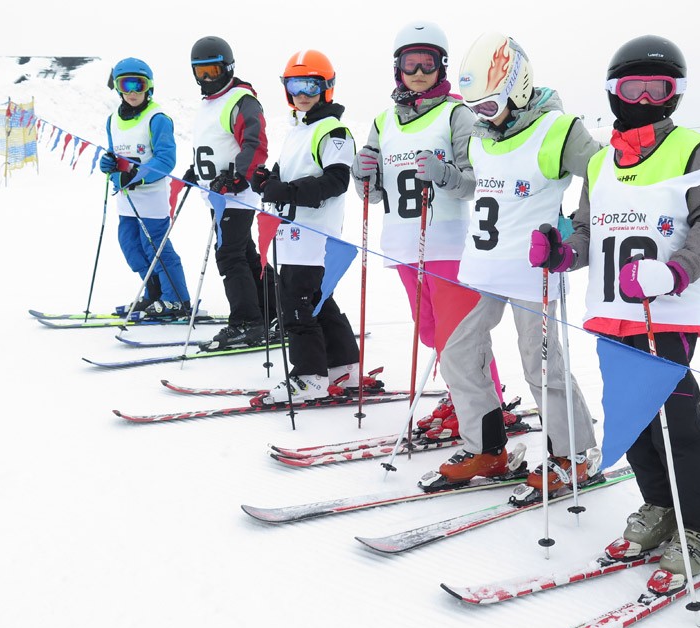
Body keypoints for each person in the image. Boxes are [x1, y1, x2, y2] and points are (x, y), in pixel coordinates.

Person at [547, 35, 700, 583]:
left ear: (675, 94)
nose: (647, 98)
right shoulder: (601, 164)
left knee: (676, 420)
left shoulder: (689, 149)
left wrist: (676, 270)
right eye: (635, 87)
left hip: (666, 313)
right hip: (610, 311)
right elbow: (587, 232)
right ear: (614, 92)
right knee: (634, 419)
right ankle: (660, 504)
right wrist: (563, 251)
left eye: (661, 88)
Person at [430, 32, 599, 488]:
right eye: (473, 110)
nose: (480, 117)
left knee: (540, 366)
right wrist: (447, 177)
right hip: (484, 270)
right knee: (458, 354)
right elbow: (477, 186)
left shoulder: (558, 130)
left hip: (533, 275)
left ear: (518, 89)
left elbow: (606, 176)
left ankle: (574, 454)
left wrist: (574, 235)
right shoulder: (482, 139)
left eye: (488, 106)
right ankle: (487, 450)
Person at [350, 20, 505, 439]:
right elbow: (376, 193)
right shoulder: (383, 122)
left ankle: (484, 402)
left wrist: (444, 174)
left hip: (449, 245)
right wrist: (362, 177)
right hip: (402, 245)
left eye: (428, 63)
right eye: (410, 63)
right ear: (397, 68)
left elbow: (476, 180)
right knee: (432, 331)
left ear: (442, 66)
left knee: (460, 337)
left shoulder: (457, 114)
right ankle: (465, 393)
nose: (419, 71)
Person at [252, 50, 361, 403]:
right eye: (295, 84)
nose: (302, 93)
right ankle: (343, 366)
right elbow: (285, 173)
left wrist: (287, 190)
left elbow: (337, 181)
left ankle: (309, 376)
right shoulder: (299, 129)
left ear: (326, 87)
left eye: (311, 84)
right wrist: (266, 179)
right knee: (315, 300)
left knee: (296, 303)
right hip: (294, 232)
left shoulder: (334, 130)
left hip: (314, 234)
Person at [187, 36, 276, 349]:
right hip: (217, 194)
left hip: (235, 195)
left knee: (230, 256)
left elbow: (256, 143)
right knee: (245, 254)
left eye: (212, 70)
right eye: (201, 72)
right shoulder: (208, 105)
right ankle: (272, 313)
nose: (207, 78)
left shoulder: (241, 100)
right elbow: (212, 145)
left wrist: (239, 178)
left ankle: (247, 322)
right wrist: (195, 169)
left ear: (228, 68)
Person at [100, 57, 191, 318]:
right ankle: (153, 295)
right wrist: (107, 165)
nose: (131, 92)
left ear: (148, 87)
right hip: (126, 200)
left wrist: (136, 176)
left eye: (137, 85)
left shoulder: (158, 118)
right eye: (125, 85)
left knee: (156, 248)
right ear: (117, 88)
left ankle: (177, 299)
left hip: (150, 199)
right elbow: (113, 154)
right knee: (131, 247)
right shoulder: (112, 120)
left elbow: (165, 160)